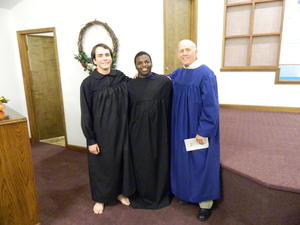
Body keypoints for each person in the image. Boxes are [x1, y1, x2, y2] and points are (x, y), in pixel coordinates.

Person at [169, 40, 220, 221]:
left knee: (201, 162)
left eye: (188, 50)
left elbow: (211, 106)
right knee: (183, 160)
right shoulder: (179, 73)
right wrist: (141, 77)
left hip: (198, 128)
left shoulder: (206, 75)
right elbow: (162, 81)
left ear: (196, 51)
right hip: (180, 127)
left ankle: (205, 203)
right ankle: (187, 193)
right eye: (181, 50)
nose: (184, 53)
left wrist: (204, 130)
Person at [80, 43, 135, 214]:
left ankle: (119, 193)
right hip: (101, 133)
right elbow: (86, 113)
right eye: (100, 55)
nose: (105, 58)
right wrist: (91, 139)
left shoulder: (119, 77)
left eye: (107, 54)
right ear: (94, 60)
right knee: (102, 167)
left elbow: (135, 88)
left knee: (121, 163)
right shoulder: (88, 84)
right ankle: (101, 198)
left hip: (122, 131)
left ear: (111, 57)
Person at [127, 51, 172, 209]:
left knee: (159, 160)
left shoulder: (163, 82)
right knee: (141, 163)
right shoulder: (129, 85)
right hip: (138, 133)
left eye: (147, 62)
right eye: (140, 63)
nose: (144, 65)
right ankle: (142, 194)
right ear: (135, 66)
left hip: (159, 131)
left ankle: (160, 193)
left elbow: (170, 105)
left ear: (151, 62)